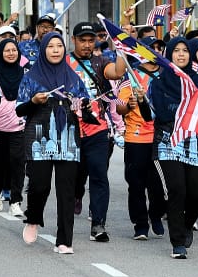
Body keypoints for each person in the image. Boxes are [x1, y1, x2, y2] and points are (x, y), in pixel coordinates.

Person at [148, 37, 198, 259]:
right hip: (168, 141)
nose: (181, 54)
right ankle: (178, 243)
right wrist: (141, 101)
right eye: (176, 51)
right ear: (169, 54)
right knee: (177, 191)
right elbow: (150, 115)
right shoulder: (157, 82)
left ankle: (185, 225)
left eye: (185, 51)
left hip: (195, 141)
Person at [17, 32, 94, 254]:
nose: (55, 50)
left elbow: (86, 105)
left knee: (66, 190)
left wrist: (84, 107)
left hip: (68, 137)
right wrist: (33, 101)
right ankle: (33, 218)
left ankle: (64, 240)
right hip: (39, 137)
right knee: (39, 185)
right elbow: (19, 109)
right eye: (50, 46)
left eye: (59, 46)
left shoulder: (72, 78)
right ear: (43, 50)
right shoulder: (31, 77)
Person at [68, 21, 127, 243]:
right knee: (75, 177)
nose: (86, 44)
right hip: (71, 131)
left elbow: (118, 71)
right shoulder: (63, 63)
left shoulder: (101, 61)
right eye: (82, 40)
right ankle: (75, 196)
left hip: (98, 130)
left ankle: (98, 224)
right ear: (73, 40)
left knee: (99, 175)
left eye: (90, 40)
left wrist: (122, 47)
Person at [117, 43, 166, 240]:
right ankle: (140, 224)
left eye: (157, 48)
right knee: (136, 184)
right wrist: (130, 104)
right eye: (149, 48)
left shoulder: (167, 75)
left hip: (161, 137)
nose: (154, 52)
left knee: (159, 184)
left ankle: (155, 215)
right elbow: (119, 108)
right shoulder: (130, 76)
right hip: (135, 138)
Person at [0, 39, 28, 217]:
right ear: (0, 53)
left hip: (18, 125)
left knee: (18, 163)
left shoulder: (25, 73)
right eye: (7, 51)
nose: (11, 53)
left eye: (14, 50)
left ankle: (15, 201)